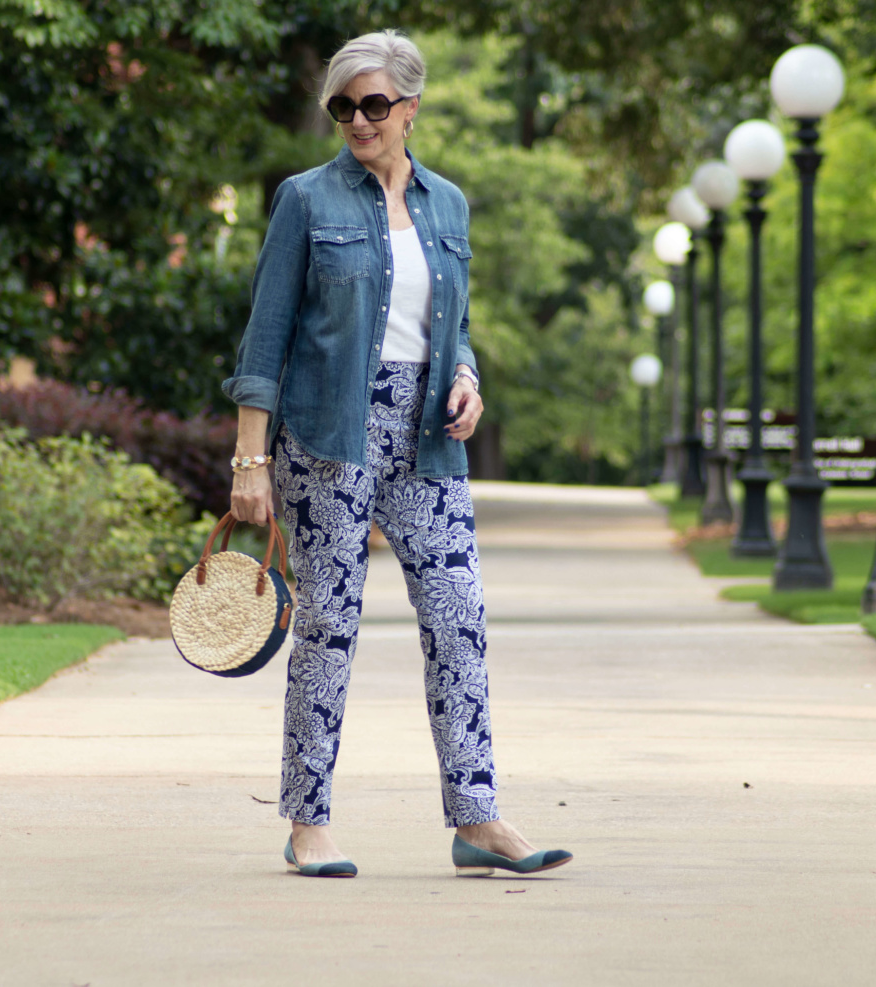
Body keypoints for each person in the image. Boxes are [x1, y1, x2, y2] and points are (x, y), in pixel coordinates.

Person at [222, 30, 571, 879]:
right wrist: (250, 460)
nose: (358, 119)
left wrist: (468, 377)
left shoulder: (448, 204)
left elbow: (451, 327)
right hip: (328, 435)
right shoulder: (306, 200)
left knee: (459, 615)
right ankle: (308, 820)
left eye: (375, 104)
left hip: (426, 437)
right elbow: (266, 336)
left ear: (410, 108)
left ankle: (477, 816)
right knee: (330, 627)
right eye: (344, 105)